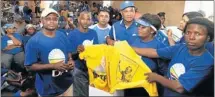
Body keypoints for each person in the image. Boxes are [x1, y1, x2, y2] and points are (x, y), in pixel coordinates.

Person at [133, 17, 214, 96]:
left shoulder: (206, 61)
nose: (191, 37)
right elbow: (153, 52)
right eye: (188, 33)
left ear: (208, 38)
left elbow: (179, 87)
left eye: (197, 34)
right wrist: (128, 47)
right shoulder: (180, 47)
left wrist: (157, 77)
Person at [24, 8, 74, 96]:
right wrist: (53, 66)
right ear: (42, 20)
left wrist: (70, 60)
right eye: (48, 18)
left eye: (55, 19)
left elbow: (68, 50)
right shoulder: (34, 41)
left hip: (67, 84)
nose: (52, 21)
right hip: (48, 89)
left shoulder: (62, 35)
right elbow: (29, 66)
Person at [67, 11, 99, 96]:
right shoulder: (72, 34)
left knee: (90, 93)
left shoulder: (93, 33)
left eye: (88, 19)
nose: (85, 21)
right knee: (80, 94)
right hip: (78, 69)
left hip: (92, 69)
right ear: (79, 20)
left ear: (91, 21)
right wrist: (77, 51)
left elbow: (96, 50)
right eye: (83, 19)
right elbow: (69, 54)